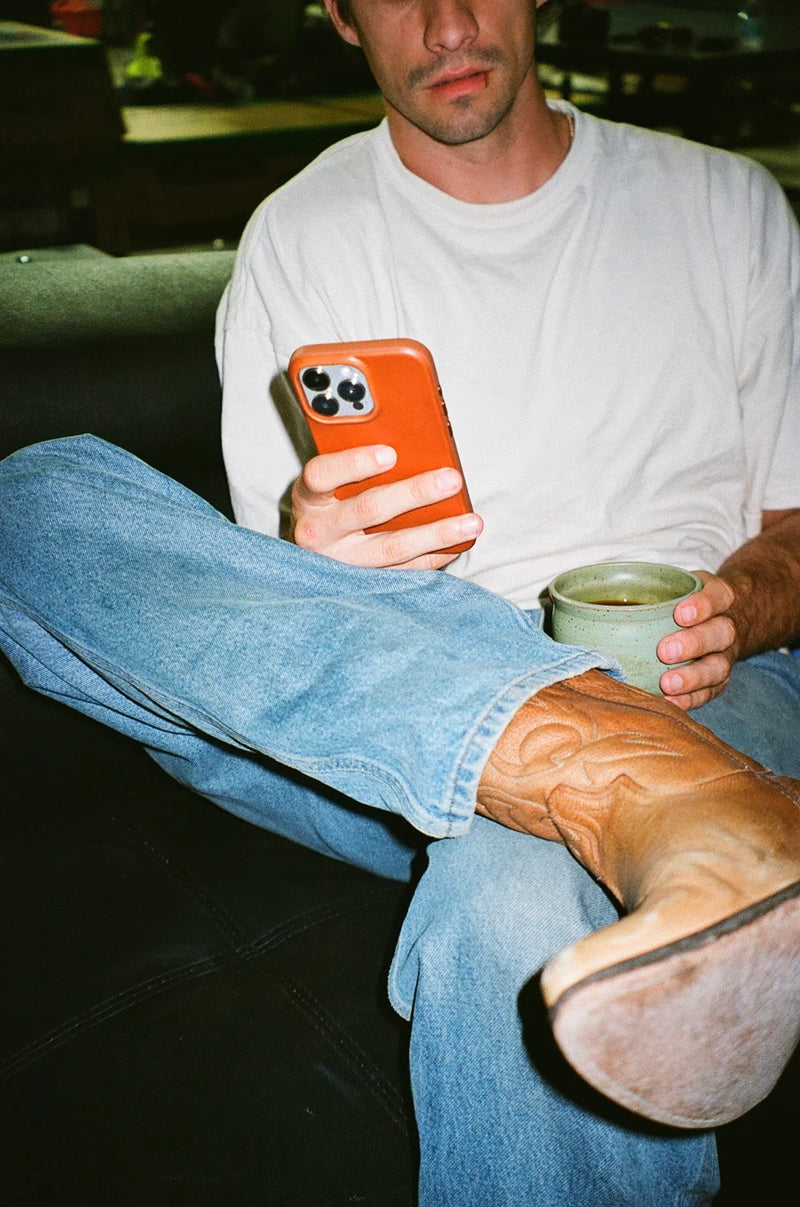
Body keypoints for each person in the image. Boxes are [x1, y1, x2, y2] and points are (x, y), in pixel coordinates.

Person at [1, 0, 799, 1202]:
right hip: (385, 712)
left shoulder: (724, 203)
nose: (442, 22)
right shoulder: (298, 234)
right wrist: (310, 558)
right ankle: (652, 792)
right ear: (333, 12)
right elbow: (263, 617)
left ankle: (646, 798)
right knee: (33, 501)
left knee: (512, 898)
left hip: (703, 678)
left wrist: (741, 602)